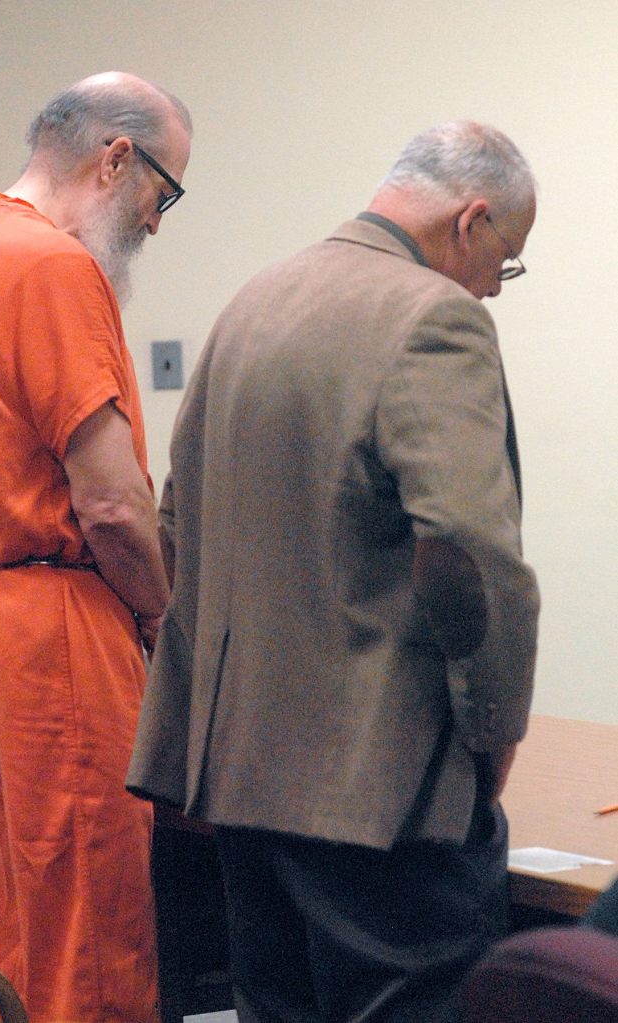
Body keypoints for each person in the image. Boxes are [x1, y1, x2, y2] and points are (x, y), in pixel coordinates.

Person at [128, 121, 540, 1023]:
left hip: (238, 775)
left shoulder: (256, 299)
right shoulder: (434, 316)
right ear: (471, 219)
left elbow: (174, 517)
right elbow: (468, 547)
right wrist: (493, 722)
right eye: (502, 262)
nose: (489, 288)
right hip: (381, 790)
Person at [0, 72, 191, 1023]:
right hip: (56, 626)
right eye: (164, 192)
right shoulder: (54, 264)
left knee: (29, 914)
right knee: (96, 928)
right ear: (116, 160)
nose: (157, 221)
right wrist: (161, 616)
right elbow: (111, 505)